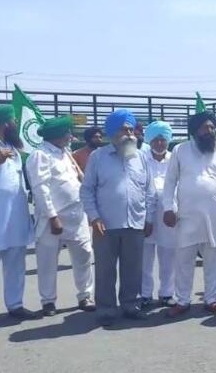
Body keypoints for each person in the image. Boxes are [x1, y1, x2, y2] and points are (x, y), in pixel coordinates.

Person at [80, 109, 157, 326]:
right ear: (112, 132)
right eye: (125, 129)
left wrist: (149, 218)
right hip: (106, 224)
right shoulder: (98, 157)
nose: (130, 134)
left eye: (132, 129)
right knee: (105, 269)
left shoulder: (141, 157)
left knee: (133, 268)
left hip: (136, 222)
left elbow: (150, 191)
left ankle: (131, 305)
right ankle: (106, 310)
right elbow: (87, 190)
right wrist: (94, 218)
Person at [162, 111, 216, 317]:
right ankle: (182, 301)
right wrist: (168, 208)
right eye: (205, 128)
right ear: (194, 131)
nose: (210, 131)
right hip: (187, 216)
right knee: (184, 261)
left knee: (214, 260)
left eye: (212, 127)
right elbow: (170, 181)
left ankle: (211, 300)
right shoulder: (180, 150)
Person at [26, 116, 95, 317]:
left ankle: (85, 296)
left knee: (84, 256)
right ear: (57, 135)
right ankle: (48, 301)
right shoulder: (40, 155)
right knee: (48, 261)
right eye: (67, 133)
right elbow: (41, 189)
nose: (71, 136)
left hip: (77, 215)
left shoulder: (66, 153)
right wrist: (52, 216)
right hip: (53, 219)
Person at [0, 104, 38, 325]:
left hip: (15, 217)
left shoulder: (13, 147)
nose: (16, 123)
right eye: (13, 120)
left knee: (16, 265)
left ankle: (15, 305)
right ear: (5, 123)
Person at [139, 121, 178, 309]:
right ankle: (145, 294)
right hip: (146, 215)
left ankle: (166, 293)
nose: (160, 144)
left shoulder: (174, 159)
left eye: (163, 139)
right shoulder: (140, 158)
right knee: (145, 258)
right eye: (155, 140)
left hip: (169, 215)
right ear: (149, 140)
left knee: (168, 256)